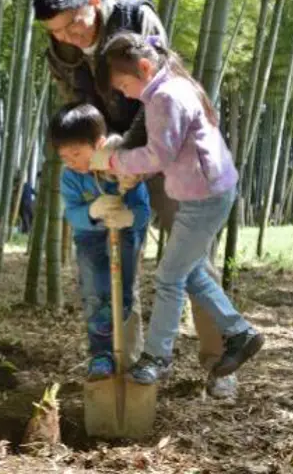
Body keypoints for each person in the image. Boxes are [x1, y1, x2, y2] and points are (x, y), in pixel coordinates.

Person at [32, 0, 238, 398]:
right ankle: (133, 360)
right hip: (108, 158)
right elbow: (76, 104)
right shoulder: (61, 48)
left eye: (73, 24)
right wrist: (98, 157)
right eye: (56, 31)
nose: (68, 36)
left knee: (191, 259)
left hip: (167, 154)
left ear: (91, 2)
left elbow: (156, 93)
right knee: (119, 256)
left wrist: (128, 153)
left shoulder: (134, 18)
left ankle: (221, 361)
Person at [90, 32, 265, 385]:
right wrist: (131, 169)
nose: (124, 93)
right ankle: (239, 332)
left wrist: (114, 158)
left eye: (124, 85)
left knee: (169, 277)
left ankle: (157, 357)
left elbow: (158, 154)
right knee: (192, 272)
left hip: (206, 198)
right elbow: (164, 152)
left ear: (143, 67)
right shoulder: (167, 86)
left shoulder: (166, 97)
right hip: (202, 194)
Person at [50, 103, 150, 380]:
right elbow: (72, 214)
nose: (71, 161)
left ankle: (128, 351)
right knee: (94, 292)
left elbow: (143, 213)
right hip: (89, 238)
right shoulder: (70, 177)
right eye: (64, 156)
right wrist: (93, 212)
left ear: (100, 145)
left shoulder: (124, 168)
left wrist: (128, 216)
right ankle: (101, 356)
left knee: (124, 291)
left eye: (77, 153)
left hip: (126, 237)